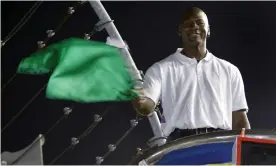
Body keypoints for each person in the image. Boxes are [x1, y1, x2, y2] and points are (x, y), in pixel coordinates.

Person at [132, 7, 251, 141]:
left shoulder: (230, 70)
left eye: (200, 23)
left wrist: (246, 152)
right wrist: (140, 100)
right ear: (179, 31)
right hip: (180, 145)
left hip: (220, 145)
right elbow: (147, 106)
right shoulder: (160, 69)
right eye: (188, 24)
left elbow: (240, 120)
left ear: (208, 30)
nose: (194, 26)